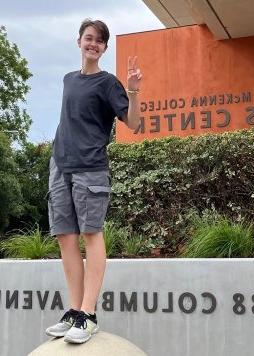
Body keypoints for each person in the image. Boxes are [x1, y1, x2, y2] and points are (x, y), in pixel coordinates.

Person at [45, 18, 142, 344]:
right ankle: (74, 311)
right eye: (89, 38)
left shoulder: (107, 83)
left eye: (99, 41)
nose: (93, 44)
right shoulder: (68, 79)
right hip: (60, 166)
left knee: (90, 234)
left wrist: (133, 89)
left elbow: (133, 123)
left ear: (103, 48)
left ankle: (88, 314)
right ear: (79, 42)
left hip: (90, 168)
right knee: (65, 238)